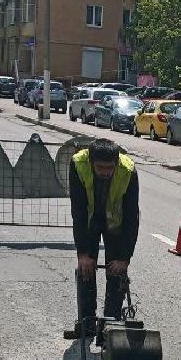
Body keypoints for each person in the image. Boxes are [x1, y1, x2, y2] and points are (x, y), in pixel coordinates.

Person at [67, 139, 140, 332]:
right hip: (90, 221)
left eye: (110, 168)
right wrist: (83, 254)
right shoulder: (78, 165)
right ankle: (87, 322)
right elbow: (79, 212)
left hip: (116, 223)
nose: (106, 172)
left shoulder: (128, 171)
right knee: (86, 268)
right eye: (100, 167)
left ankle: (111, 323)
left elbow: (132, 216)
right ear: (91, 162)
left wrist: (124, 259)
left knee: (116, 271)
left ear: (117, 163)